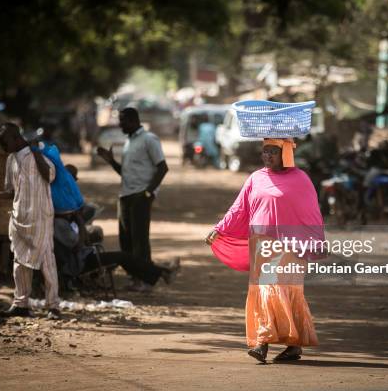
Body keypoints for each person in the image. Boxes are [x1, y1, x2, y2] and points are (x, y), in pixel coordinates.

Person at [206, 138, 321, 363]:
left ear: (285, 154)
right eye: (265, 151)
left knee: (285, 292)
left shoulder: (301, 179)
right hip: (262, 245)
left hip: (292, 247)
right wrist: (219, 228)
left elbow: (312, 213)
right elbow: (239, 208)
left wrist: (314, 241)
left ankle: (285, 345)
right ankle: (264, 342)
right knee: (265, 290)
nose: (267, 156)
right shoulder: (255, 178)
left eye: (272, 152)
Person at [0, 122, 61, 319]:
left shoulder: (37, 155)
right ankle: (21, 304)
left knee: (46, 261)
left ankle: (53, 306)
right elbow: (12, 191)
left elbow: (50, 175)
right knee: (19, 262)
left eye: (4, 141)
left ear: (16, 137)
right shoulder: (11, 160)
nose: (2, 146)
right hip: (19, 217)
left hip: (40, 216)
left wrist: (35, 152)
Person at [97, 107, 179, 292]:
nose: (120, 124)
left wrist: (149, 193)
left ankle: (146, 281)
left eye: (123, 121)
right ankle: (138, 278)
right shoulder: (129, 142)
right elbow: (125, 174)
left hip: (140, 195)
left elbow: (163, 167)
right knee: (126, 242)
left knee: (140, 242)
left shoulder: (149, 139)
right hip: (125, 195)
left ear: (134, 120)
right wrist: (111, 161)